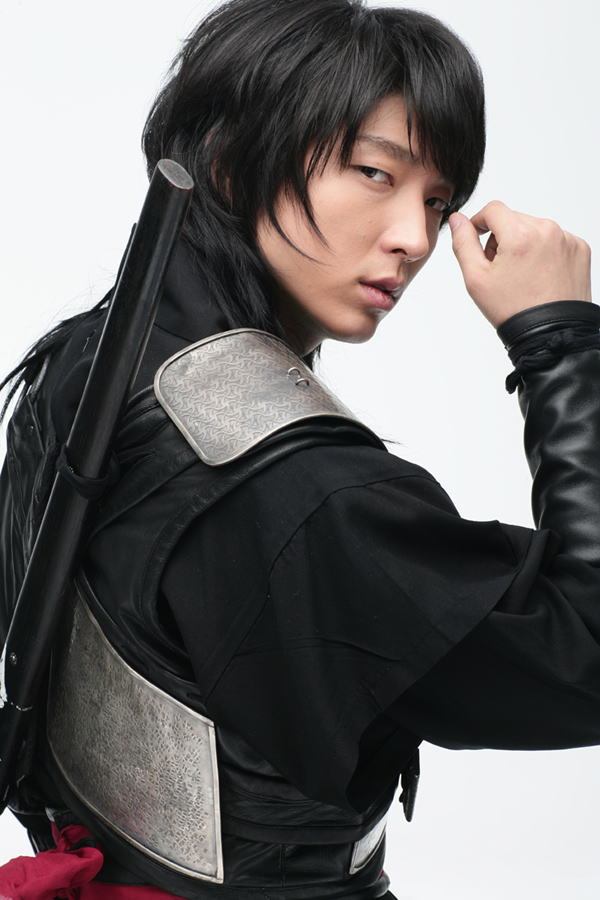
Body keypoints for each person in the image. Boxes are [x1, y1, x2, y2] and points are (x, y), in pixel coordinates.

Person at [0, 0, 597, 897]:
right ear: (232, 158)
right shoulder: (293, 485)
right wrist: (559, 340)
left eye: (436, 200)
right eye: (374, 172)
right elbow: (586, 656)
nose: (414, 238)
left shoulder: (83, 363)